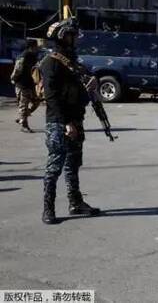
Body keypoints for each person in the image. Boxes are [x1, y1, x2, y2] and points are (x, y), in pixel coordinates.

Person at [40, 19, 101, 225]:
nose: (75, 40)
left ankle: (75, 203)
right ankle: (48, 209)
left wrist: (91, 84)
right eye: (71, 35)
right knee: (55, 165)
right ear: (62, 36)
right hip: (59, 123)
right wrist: (66, 123)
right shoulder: (51, 62)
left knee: (73, 164)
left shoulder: (73, 62)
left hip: (76, 119)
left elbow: (80, 91)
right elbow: (52, 97)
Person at [10, 39, 41, 132]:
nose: (37, 48)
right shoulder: (23, 56)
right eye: (36, 46)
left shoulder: (33, 56)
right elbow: (17, 69)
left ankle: (22, 118)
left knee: (37, 101)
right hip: (22, 84)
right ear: (31, 47)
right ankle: (24, 126)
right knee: (24, 105)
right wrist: (13, 79)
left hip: (31, 84)